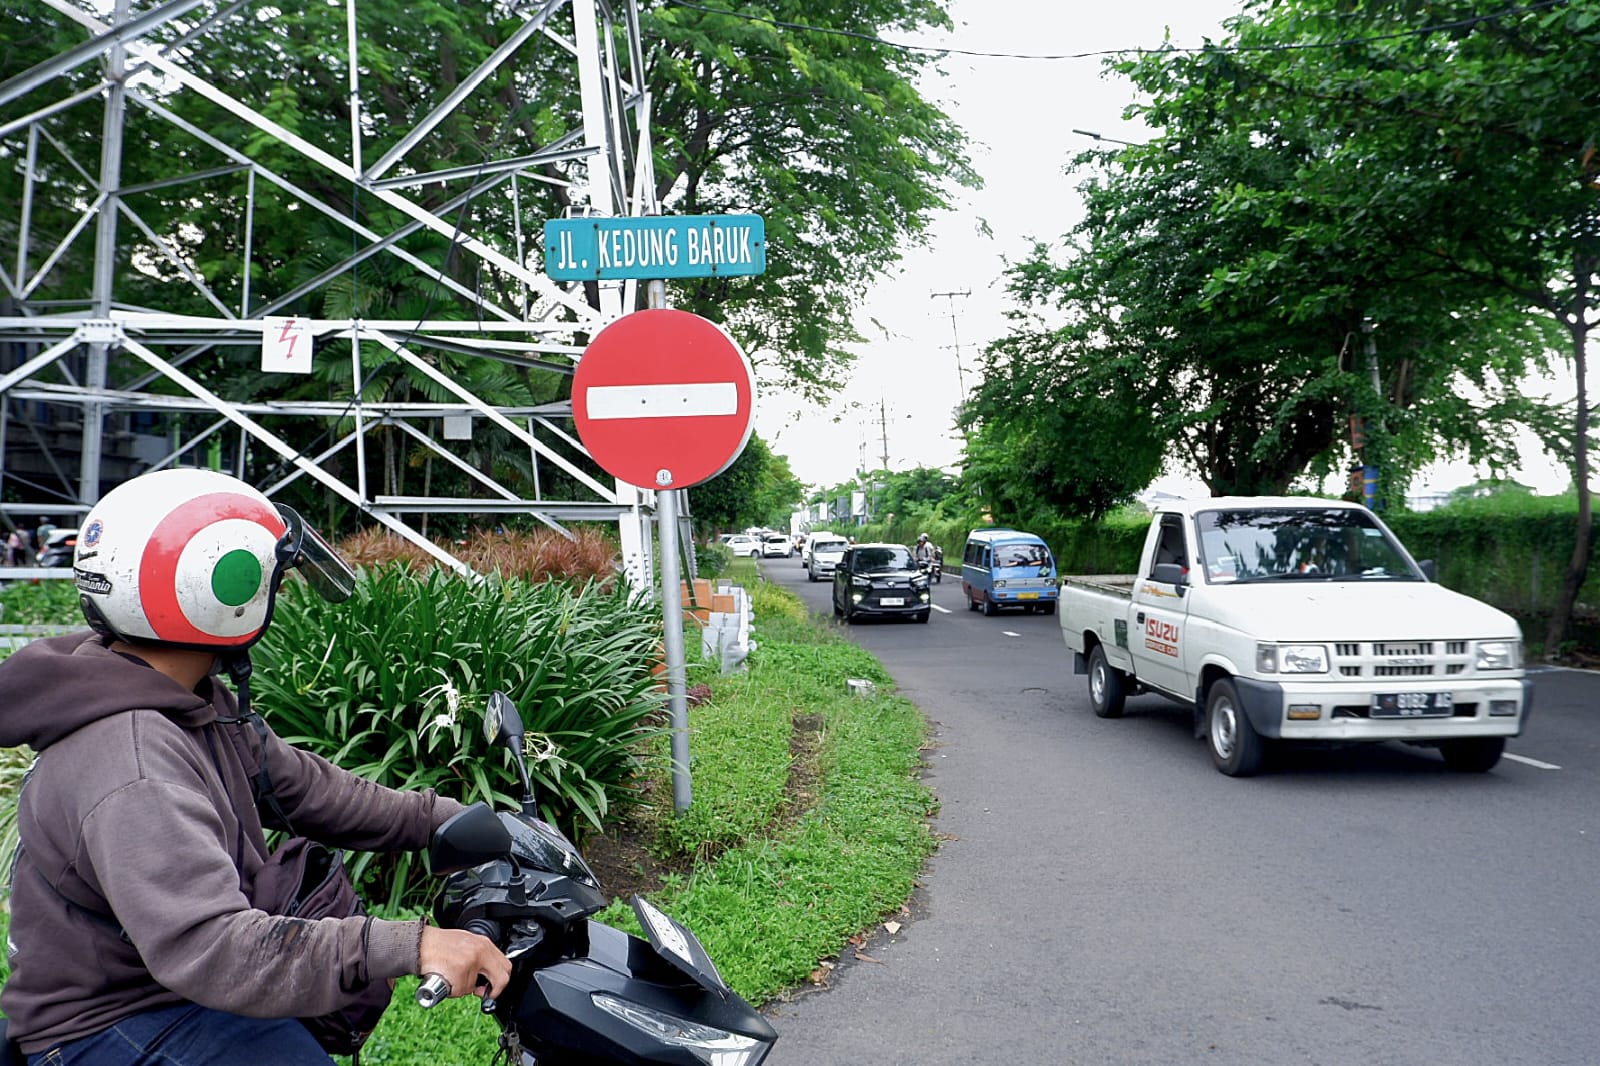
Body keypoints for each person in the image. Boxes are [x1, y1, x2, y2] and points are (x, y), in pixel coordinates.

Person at [0, 469, 510, 1065]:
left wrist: (468, 823)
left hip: (165, 987)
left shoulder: (183, 702)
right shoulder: (133, 760)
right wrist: (412, 944)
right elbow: (215, 949)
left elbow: (313, 792)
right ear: (219, 592)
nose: (279, 596)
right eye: (271, 582)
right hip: (113, 1018)